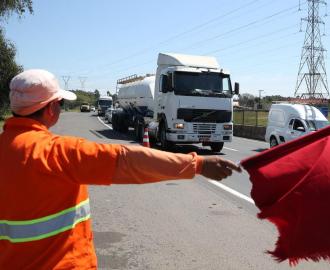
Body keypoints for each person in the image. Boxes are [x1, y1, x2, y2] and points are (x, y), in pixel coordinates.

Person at [0, 69, 242, 269]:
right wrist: (197, 164)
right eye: (60, 103)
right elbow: (128, 161)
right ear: (51, 108)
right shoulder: (58, 152)